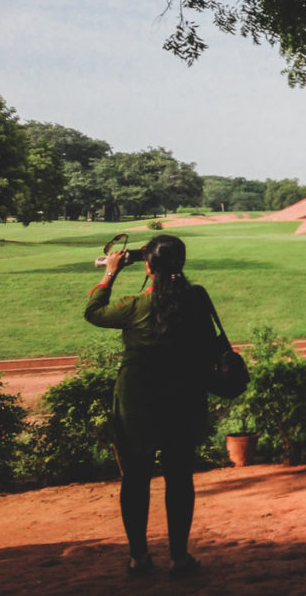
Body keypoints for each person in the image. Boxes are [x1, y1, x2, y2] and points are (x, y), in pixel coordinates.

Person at [84, 234, 216, 579]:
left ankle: (139, 558)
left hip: (137, 400)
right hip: (183, 397)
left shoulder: (135, 306)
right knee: (179, 477)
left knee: (136, 478)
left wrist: (111, 271)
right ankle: (179, 557)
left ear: (148, 267)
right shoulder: (197, 300)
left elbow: (94, 312)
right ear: (182, 263)